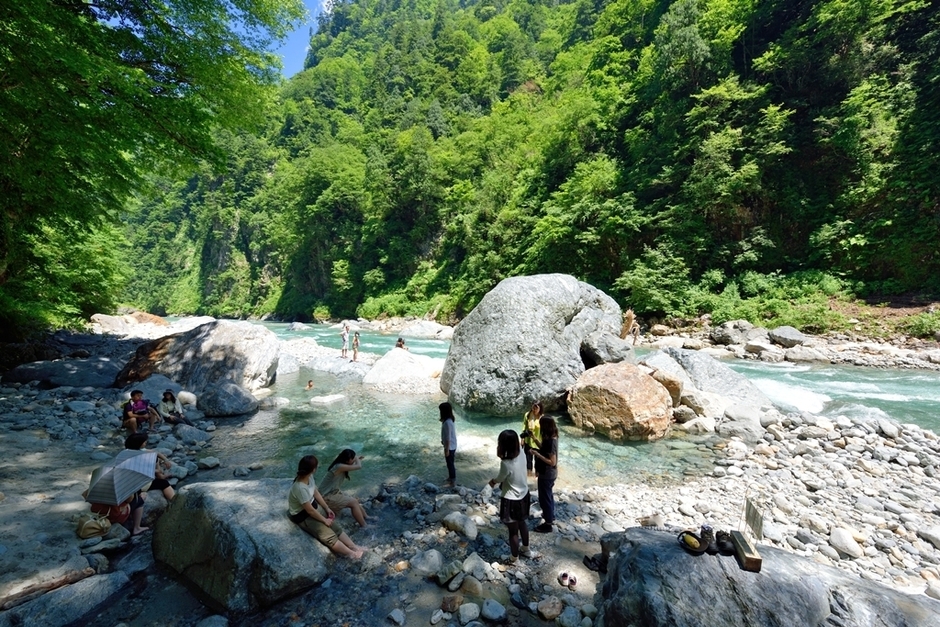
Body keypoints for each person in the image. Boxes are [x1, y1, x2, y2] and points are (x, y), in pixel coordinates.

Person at [287, 455, 365, 559]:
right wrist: (324, 520)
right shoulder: (300, 488)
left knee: (335, 527)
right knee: (329, 536)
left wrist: (327, 508)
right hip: (303, 516)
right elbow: (310, 511)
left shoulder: (309, 477)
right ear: (313, 469)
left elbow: (315, 492)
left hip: (313, 507)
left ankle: (354, 547)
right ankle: (352, 554)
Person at [489, 430, 532, 562]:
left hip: (511, 500)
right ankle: (526, 549)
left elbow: (501, 478)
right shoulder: (522, 454)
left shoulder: (506, 464)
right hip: (524, 495)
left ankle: (514, 558)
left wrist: (493, 482)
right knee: (522, 523)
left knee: (513, 531)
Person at [319, 449, 369, 528]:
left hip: (333, 492)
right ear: (347, 460)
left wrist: (356, 458)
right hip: (326, 497)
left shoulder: (341, 464)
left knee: (354, 500)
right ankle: (364, 525)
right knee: (354, 502)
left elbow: (352, 464)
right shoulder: (339, 466)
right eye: (352, 458)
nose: (353, 460)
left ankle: (366, 517)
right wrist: (356, 458)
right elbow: (359, 466)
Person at [125, 432, 176, 501]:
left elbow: (155, 453)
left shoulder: (129, 452)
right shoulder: (135, 456)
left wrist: (165, 460)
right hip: (137, 484)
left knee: (154, 457)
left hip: (131, 480)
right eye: (144, 441)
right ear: (138, 444)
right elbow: (139, 471)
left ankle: (160, 476)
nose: (146, 442)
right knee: (164, 483)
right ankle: (174, 501)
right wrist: (157, 470)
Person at [530, 416, 558, 533]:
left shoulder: (551, 441)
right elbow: (544, 449)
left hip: (547, 473)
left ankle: (548, 524)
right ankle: (550, 516)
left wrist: (537, 455)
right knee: (548, 496)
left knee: (544, 498)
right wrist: (534, 438)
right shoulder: (551, 438)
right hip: (550, 474)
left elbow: (552, 462)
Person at [521, 401, 543, 476]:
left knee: (538, 463)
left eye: (536, 408)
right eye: (533, 408)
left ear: (540, 408)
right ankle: (529, 477)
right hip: (528, 442)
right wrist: (522, 439)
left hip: (538, 444)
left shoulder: (542, 418)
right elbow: (524, 427)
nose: (534, 410)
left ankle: (537, 478)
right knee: (528, 461)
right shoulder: (527, 415)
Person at [439, 402, 457, 487]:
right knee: (449, 463)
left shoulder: (447, 423)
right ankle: (450, 478)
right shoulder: (449, 420)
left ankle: (452, 482)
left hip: (450, 447)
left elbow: (449, 438)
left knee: (450, 464)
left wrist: (447, 449)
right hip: (450, 445)